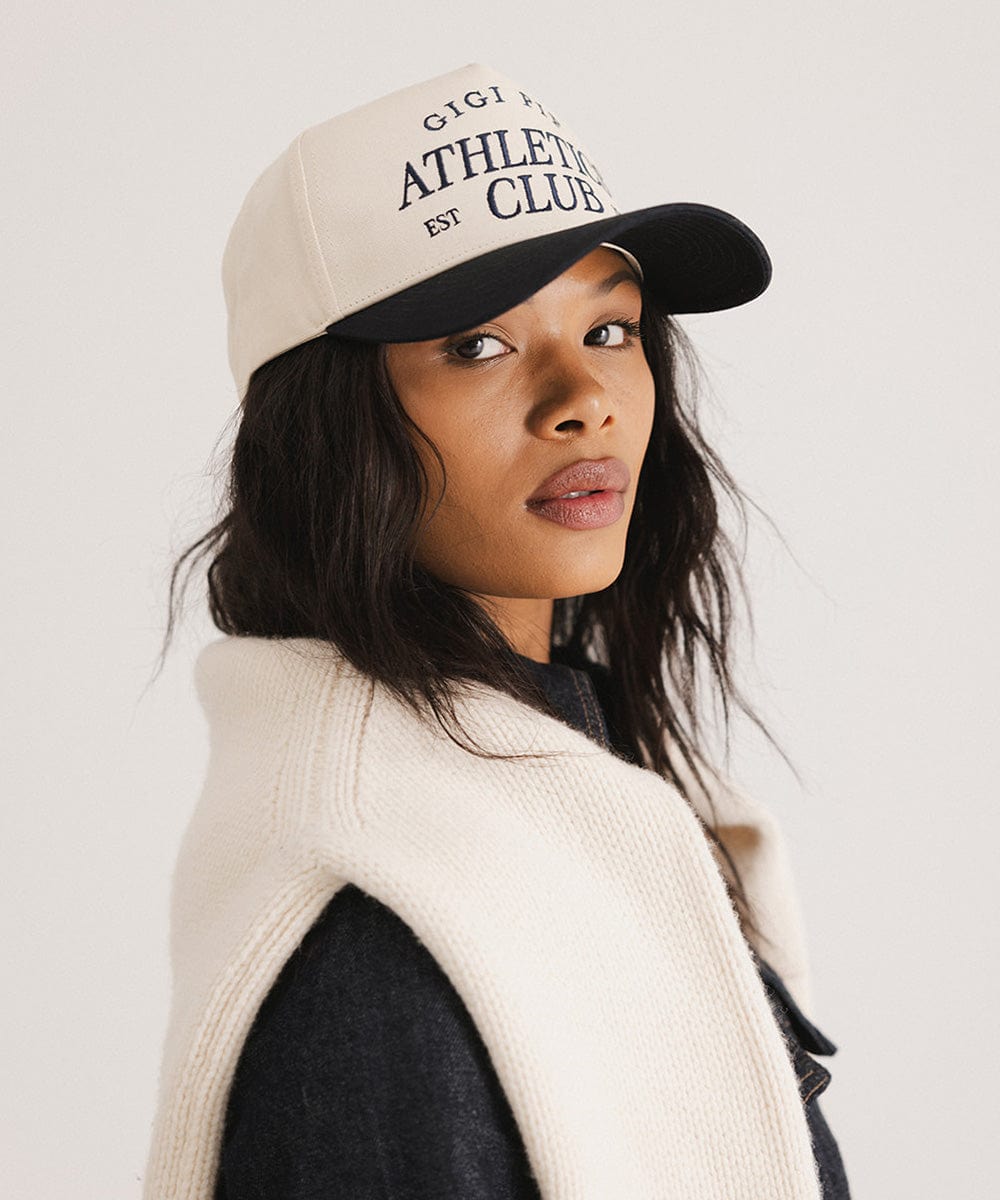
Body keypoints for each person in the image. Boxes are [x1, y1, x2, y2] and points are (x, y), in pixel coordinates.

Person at [143, 63, 850, 1199]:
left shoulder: (555, 790)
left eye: (610, 327)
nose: (584, 396)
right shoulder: (391, 923)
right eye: (476, 344)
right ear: (326, 426)